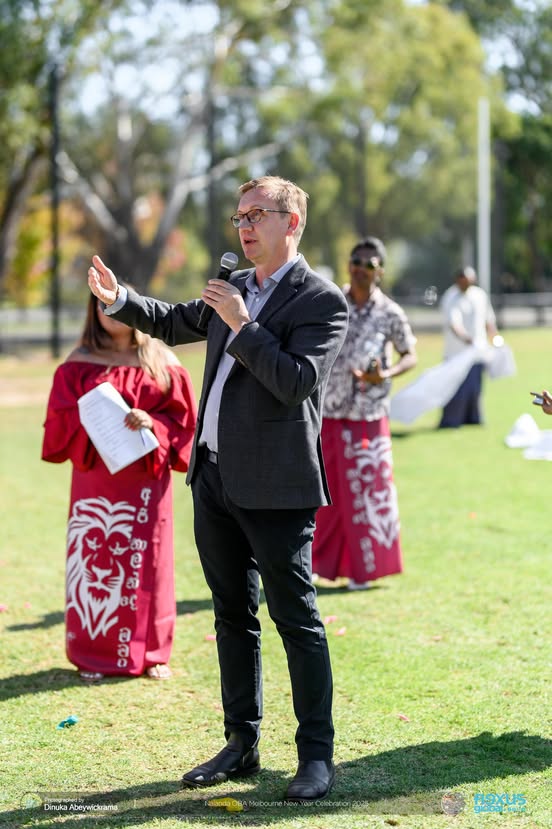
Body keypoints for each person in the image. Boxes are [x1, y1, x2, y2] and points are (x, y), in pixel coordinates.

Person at [87, 176, 349, 802]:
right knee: (233, 616)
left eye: (258, 214)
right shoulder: (235, 286)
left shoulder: (322, 300)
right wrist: (120, 297)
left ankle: (316, 757)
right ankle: (242, 743)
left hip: (279, 487)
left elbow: (293, 383)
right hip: (214, 478)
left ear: (293, 223)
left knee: (297, 620)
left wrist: (243, 323)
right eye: (239, 216)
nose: (244, 226)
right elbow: (177, 322)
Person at [41, 290, 197, 681]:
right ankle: (93, 655)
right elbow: (59, 424)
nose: (109, 310)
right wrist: (94, 420)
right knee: (94, 559)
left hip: (146, 480)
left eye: (117, 301)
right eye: (101, 302)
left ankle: (153, 653)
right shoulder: (78, 364)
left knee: (150, 563)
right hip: (97, 481)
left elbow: (184, 426)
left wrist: (152, 423)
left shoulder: (164, 363)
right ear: (94, 312)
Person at [312, 237, 417, 591]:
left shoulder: (390, 312)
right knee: (325, 494)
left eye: (370, 265)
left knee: (368, 495)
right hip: (328, 410)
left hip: (368, 415)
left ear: (380, 272)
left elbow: (409, 354)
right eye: (357, 261)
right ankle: (318, 566)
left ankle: (365, 569)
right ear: (348, 265)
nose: (362, 269)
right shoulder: (329, 301)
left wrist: (384, 375)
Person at [439, 266, 498, 428]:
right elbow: (453, 323)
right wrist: (467, 339)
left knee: (474, 388)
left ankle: (473, 419)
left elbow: (488, 320)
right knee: (456, 389)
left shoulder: (479, 295)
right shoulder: (451, 296)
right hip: (456, 353)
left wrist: (495, 338)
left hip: (478, 353)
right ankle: (452, 421)